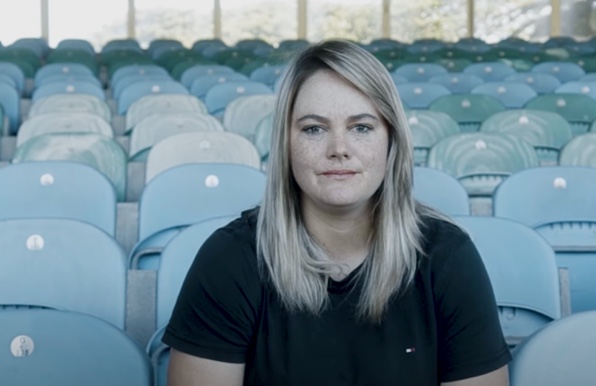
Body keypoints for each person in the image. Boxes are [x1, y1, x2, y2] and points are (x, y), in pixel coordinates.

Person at [163, 39, 511, 386]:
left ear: (392, 140)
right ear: (286, 143)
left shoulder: (447, 256)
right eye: (314, 129)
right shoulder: (229, 259)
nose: (339, 149)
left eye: (361, 127)